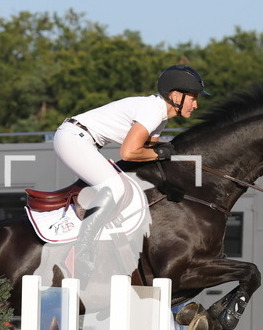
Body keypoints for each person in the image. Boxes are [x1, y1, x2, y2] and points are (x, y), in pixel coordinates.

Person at [53, 64, 209, 248]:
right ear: (175, 96)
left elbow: (148, 155)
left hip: (81, 139)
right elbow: (129, 153)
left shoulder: (160, 117)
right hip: (73, 138)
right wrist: (160, 153)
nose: (196, 105)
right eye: (193, 98)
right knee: (115, 187)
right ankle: (84, 247)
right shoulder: (152, 112)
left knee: (120, 184)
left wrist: (166, 175)